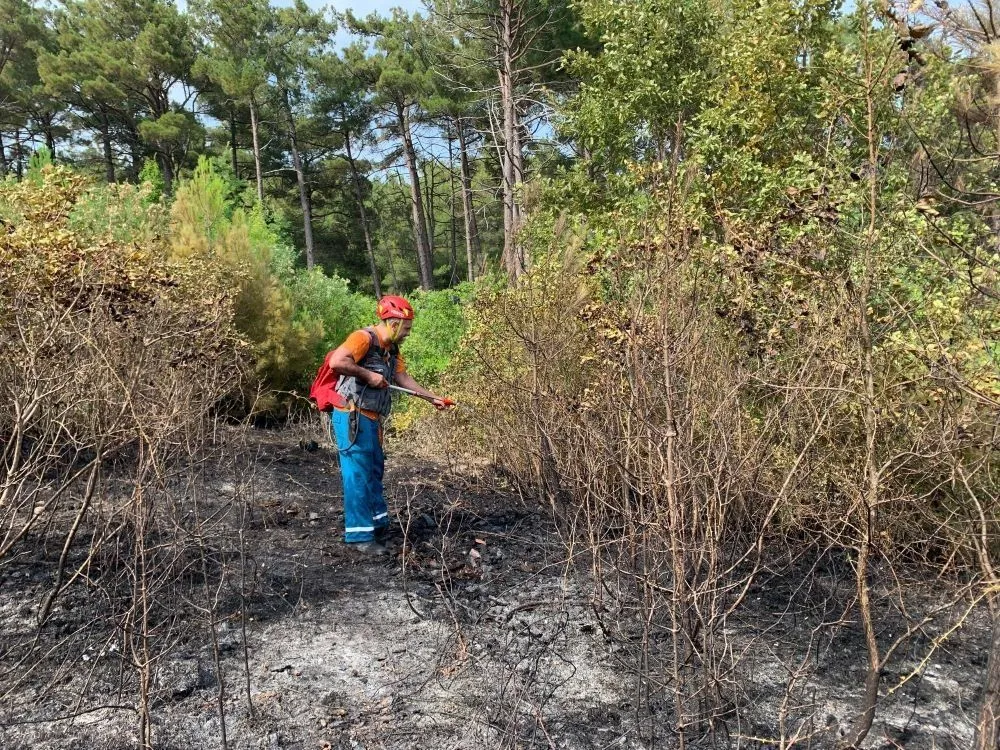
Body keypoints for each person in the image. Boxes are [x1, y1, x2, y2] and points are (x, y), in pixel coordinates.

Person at [325, 295, 452, 555]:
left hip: (372, 418)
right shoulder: (363, 338)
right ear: (393, 323)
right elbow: (337, 362)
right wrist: (368, 374)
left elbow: (402, 377)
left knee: (374, 470)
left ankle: (377, 525)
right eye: (406, 328)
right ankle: (359, 536)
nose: (407, 333)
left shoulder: (391, 349)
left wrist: (432, 398)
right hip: (351, 415)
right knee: (357, 473)